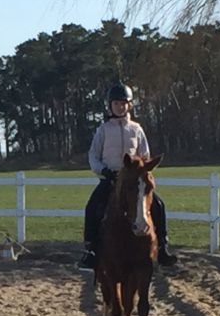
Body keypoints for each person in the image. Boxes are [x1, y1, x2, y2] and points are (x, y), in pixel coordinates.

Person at [76, 82, 178, 271]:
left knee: (158, 205)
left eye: (123, 103)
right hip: (110, 179)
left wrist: (140, 170)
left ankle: (163, 247)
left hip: (133, 179)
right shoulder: (103, 130)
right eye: (116, 104)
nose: (120, 107)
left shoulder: (136, 130)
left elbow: (145, 154)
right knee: (92, 207)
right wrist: (104, 171)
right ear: (110, 106)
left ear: (129, 105)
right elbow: (93, 156)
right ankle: (90, 250)